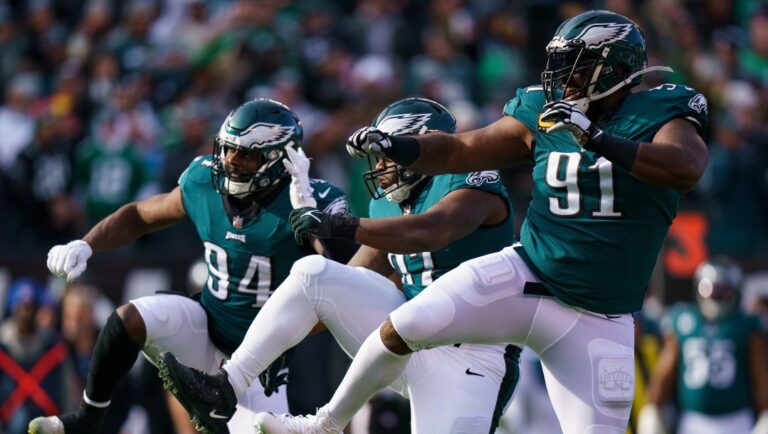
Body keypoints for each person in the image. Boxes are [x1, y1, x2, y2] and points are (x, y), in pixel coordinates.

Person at [256, 10, 710, 434]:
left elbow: (684, 167)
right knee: (403, 326)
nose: (562, 77)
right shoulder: (539, 111)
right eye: (561, 63)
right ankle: (325, 423)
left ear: (614, 68)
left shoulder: (662, 110)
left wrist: (596, 138)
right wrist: (399, 148)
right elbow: (461, 149)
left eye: (576, 65)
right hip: (529, 272)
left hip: (598, 314)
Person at [156, 97, 522, 434]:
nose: (380, 168)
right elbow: (349, 277)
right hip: (407, 342)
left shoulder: (472, 176)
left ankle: (324, 424)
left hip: (473, 355)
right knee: (314, 274)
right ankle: (226, 387)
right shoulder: (388, 203)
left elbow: (430, 231)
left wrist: (339, 224)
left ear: (425, 145)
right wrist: (278, 343)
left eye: (388, 155)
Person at [28, 99, 351, 434]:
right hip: (204, 325)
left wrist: (309, 218)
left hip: (259, 362)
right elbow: (141, 215)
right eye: (228, 150)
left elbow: (334, 283)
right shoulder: (204, 182)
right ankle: (88, 418)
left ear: (279, 159)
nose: (231, 162)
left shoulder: (314, 200)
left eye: (245, 154)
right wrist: (87, 243)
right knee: (129, 319)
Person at [639, 258, 768, 434]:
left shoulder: (747, 325)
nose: (715, 296)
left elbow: (760, 375)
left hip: (736, 419)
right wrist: (654, 406)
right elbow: (665, 372)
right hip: (692, 421)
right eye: (710, 290)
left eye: (722, 292)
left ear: (735, 291)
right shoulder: (684, 321)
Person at [0, 278, 77, 434]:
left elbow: (68, 396)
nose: (26, 314)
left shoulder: (55, 349)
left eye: (31, 308)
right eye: (21, 307)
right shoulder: (2, 347)